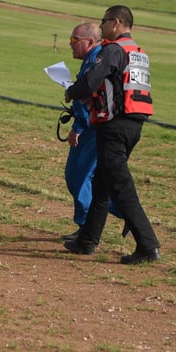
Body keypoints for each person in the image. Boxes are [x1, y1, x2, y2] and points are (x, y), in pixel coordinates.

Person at [63, 5, 160, 264]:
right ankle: (87, 240)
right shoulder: (139, 53)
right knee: (102, 185)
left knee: (120, 187)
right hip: (133, 125)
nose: (102, 26)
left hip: (114, 127)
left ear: (116, 23)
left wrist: (71, 91)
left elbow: (90, 83)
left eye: (104, 21)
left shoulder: (112, 50)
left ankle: (148, 246)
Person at [62, 22, 104, 240]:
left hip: (92, 129)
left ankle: (87, 227)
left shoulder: (96, 62)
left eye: (74, 41)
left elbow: (88, 102)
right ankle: (123, 214)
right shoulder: (93, 59)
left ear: (89, 42)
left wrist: (78, 127)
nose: (70, 45)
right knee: (91, 179)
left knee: (77, 176)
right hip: (94, 127)